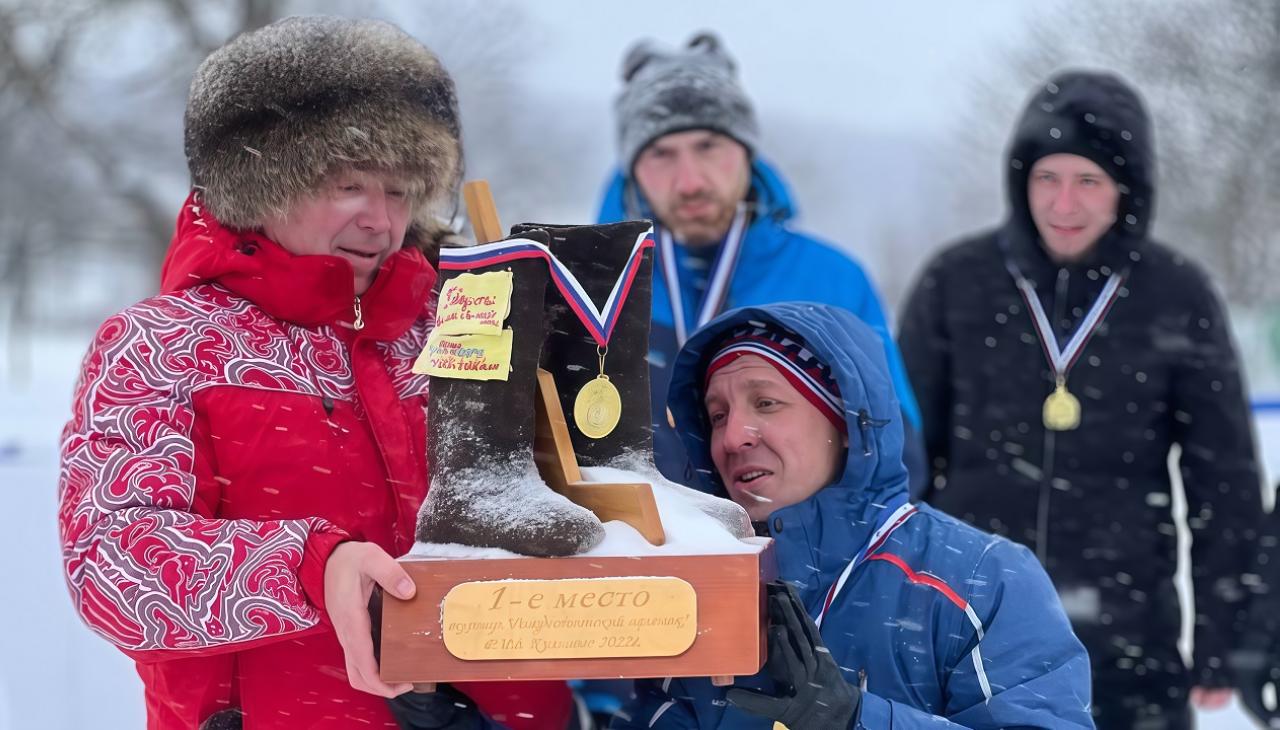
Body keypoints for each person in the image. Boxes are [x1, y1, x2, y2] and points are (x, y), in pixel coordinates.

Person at [56, 16, 570, 729]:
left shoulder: (462, 327)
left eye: (399, 191)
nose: (380, 221)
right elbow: (112, 565)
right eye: (349, 184)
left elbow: (576, 503)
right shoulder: (159, 345)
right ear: (262, 186)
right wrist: (310, 567)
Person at [898, 70, 1262, 729]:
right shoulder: (957, 282)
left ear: (1128, 189)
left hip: (1128, 636)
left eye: (1088, 181)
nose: (1064, 203)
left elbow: (1224, 479)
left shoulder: (1177, 295)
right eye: (1048, 178)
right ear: (1021, 182)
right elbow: (902, 460)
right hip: (972, 623)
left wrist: (1222, 636)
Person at [611, 301, 1095, 729]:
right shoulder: (697, 586)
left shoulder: (981, 579)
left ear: (847, 422)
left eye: (766, 403)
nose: (734, 437)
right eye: (717, 415)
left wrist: (855, 720)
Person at [596, 32, 925, 494]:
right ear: (632, 172)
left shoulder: (831, 281)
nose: (689, 180)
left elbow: (895, 460)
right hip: (644, 560)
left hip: (802, 564)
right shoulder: (590, 288)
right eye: (661, 154)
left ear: (747, 154)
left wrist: (798, 551)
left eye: (709, 145)